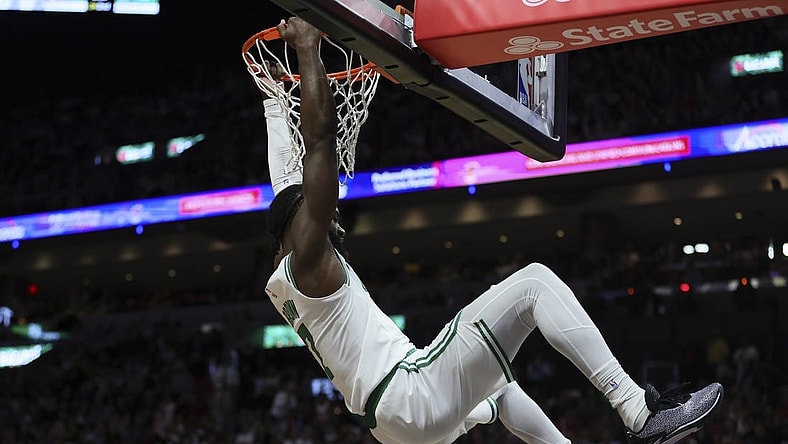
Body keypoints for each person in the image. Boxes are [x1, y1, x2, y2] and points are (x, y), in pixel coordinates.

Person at [260, 17, 723, 444]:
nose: (334, 218)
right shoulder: (310, 257)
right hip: (408, 390)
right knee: (535, 284)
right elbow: (319, 143)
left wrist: (274, 103)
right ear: (301, 225)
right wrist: (307, 49)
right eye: (320, 212)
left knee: (499, 387)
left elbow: (286, 184)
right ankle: (640, 414)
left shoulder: (289, 272)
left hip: (393, 424)